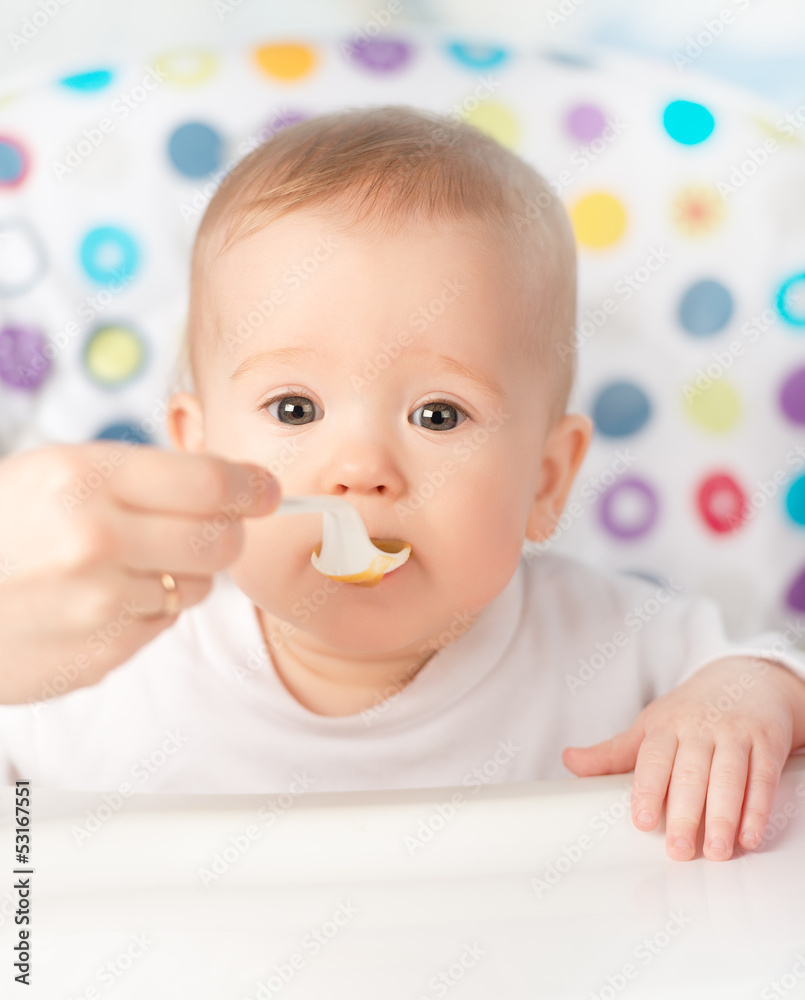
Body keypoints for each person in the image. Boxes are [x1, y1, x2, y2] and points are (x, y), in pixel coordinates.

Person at [1, 105, 804, 864]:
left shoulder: (612, 650)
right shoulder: (110, 656)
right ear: (196, 454)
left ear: (544, 480)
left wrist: (746, 700)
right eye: (294, 406)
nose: (360, 470)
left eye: (438, 416)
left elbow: (774, 681)